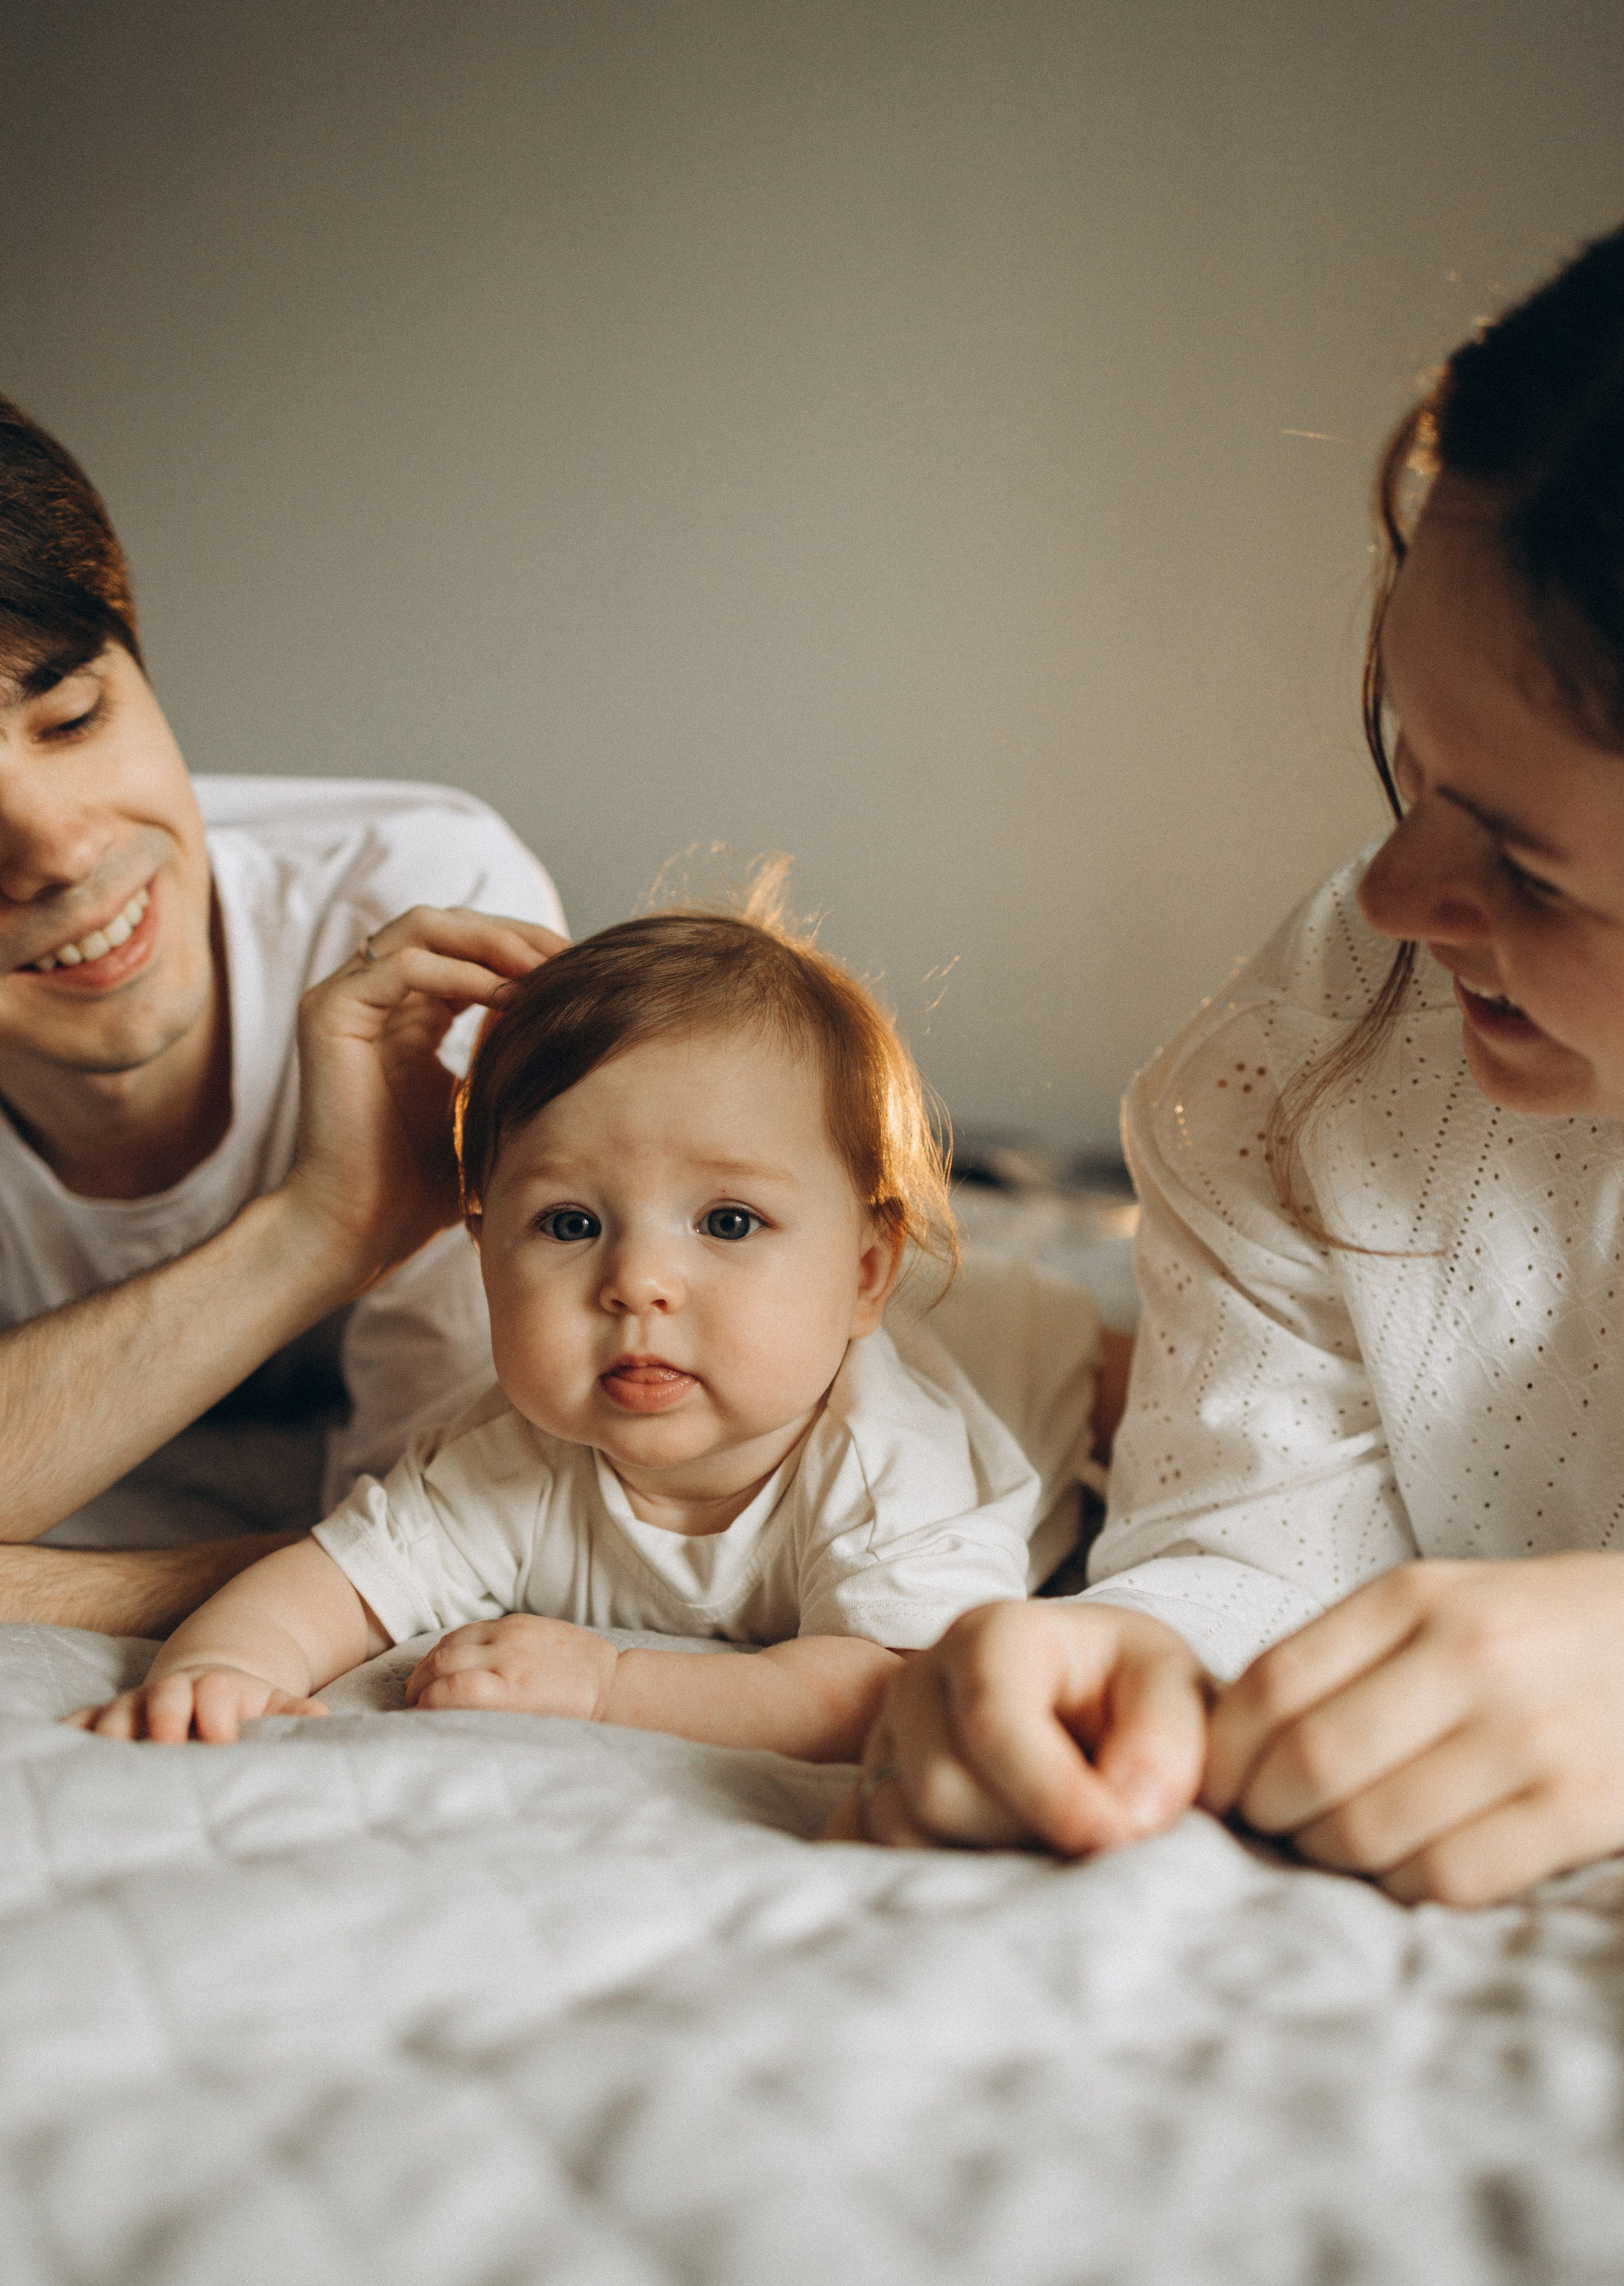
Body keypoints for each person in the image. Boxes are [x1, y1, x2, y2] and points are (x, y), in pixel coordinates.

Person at [834, 221, 1624, 1909]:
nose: (1398, 897)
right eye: (1407, 760)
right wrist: (1123, 1674)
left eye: (1531, 871)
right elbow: (1257, 1547)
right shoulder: (1325, 1041)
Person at [70, 898, 1115, 1754]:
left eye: (729, 1221)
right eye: (570, 1223)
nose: (638, 1283)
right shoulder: (507, 1460)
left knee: (1150, 1393)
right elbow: (324, 1586)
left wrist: (612, 1685)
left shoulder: (887, 1465)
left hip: (1032, 1355)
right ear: (481, 1253)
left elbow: (888, 1688)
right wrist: (221, 1671)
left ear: (865, 1273)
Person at [0, 391, 566, 1634]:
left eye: (77, 717)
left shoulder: (418, 913)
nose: (59, 849)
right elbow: (414, 1560)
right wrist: (321, 1230)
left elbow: (487, 1523)